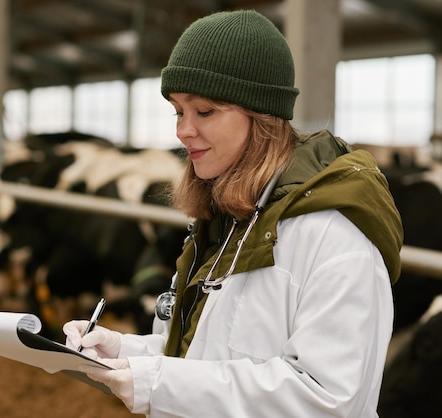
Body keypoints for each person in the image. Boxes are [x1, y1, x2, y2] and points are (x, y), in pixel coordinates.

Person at [62, 9, 403, 418]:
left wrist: (155, 382)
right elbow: (202, 355)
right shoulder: (226, 223)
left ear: (260, 115)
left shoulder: (334, 237)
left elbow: (325, 400)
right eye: (178, 111)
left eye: (204, 111)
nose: (182, 131)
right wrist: (123, 351)